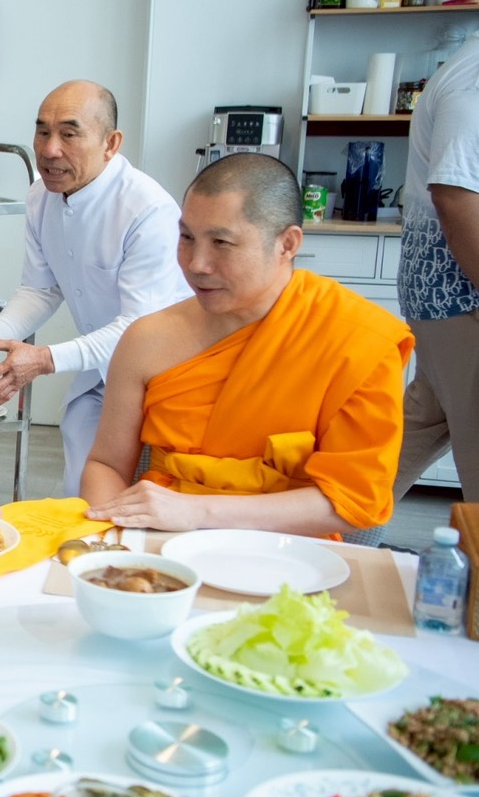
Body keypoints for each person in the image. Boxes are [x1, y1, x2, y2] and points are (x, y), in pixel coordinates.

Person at [80, 154, 413, 536]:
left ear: (287, 244)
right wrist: (116, 546)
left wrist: (199, 513)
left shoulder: (357, 341)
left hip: (290, 557)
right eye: (187, 237)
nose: (196, 264)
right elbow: (106, 465)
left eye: (221, 242)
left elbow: (350, 499)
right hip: (160, 546)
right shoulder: (147, 339)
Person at [0, 80, 186, 494]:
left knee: (143, 499)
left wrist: (45, 358)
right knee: (82, 494)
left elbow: (139, 328)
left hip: (164, 378)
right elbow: (41, 289)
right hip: (99, 369)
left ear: (111, 143)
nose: (49, 150)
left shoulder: (147, 211)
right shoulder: (40, 197)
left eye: (69, 132)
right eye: (42, 131)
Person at [389, 28, 479, 503]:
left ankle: (320, 537)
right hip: (459, 294)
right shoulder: (472, 81)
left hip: (443, 296)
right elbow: (454, 192)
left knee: (416, 429)